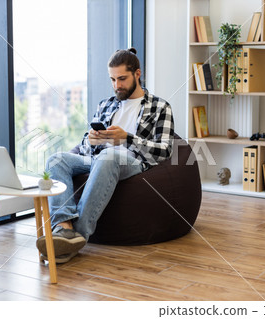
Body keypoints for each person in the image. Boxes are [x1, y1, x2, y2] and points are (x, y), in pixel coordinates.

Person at [36, 47, 175, 263]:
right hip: (98, 159)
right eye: (112, 79)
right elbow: (84, 145)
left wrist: (127, 138)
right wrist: (91, 141)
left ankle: (78, 235)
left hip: (133, 161)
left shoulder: (160, 107)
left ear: (137, 74)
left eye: (122, 79)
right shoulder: (106, 105)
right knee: (56, 159)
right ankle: (63, 228)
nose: (116, 86)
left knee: (108, 156)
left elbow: (165, 150)